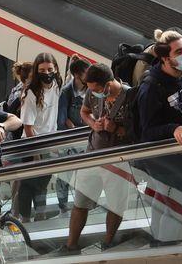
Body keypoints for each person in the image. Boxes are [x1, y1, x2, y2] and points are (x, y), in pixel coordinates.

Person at [63, 64, 138, 252]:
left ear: (108, 84)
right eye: (90, 89)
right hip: (94, 153)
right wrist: (93, 125)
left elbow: (138, 131)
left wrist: (116, 129)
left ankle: (108, 241)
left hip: (119, 159)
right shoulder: (91, 93)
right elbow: (84, 112)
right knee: (80, 202)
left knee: (116, 204)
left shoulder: (131, 97)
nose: (93, 92)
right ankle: (71, 244)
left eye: (96, 89)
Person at [137, 29, 182, 244]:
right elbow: (147, 131)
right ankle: (167, 244)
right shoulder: (151, 87)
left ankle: (158, 239)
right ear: (166, 58)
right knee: (178, 204)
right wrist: (172, 128)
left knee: (165, 202)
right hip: (165, 159)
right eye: (179, 51)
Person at [15, 52, 61, 220]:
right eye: (42, 70)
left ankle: (40, 216)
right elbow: (28, 127)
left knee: (42, 183)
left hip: (48, 142)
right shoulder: (31, 93)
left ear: (55, 68)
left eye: (50, 69)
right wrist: (36, 154)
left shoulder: (56, 84)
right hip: (31, 145)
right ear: (36, 70)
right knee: (27, 185)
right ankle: (24, 219)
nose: (47, 73)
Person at [55, 58, 91, 212]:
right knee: (65, 175)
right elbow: (61, 120)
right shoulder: (66, 92)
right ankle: (63, 205)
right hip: (70, 140)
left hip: (86, 138)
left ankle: (82, 204)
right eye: (85, 72)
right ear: (76, 75)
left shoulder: (90, 89)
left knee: (85, 175)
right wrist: (73, 127)